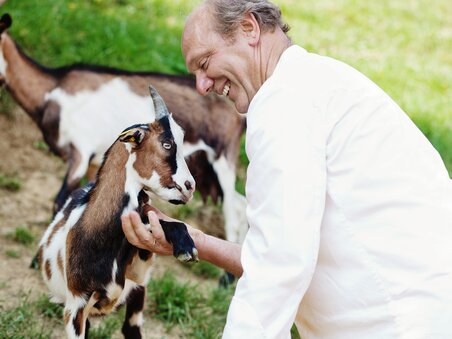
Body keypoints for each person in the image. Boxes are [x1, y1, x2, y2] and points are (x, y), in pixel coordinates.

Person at [121, 0, 452, 338]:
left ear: (248, 28)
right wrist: (198, 242)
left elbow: (280, 267)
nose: (202, 86)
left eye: (205, 64)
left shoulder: (285, 102)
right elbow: (282, 252)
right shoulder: (315, 83)